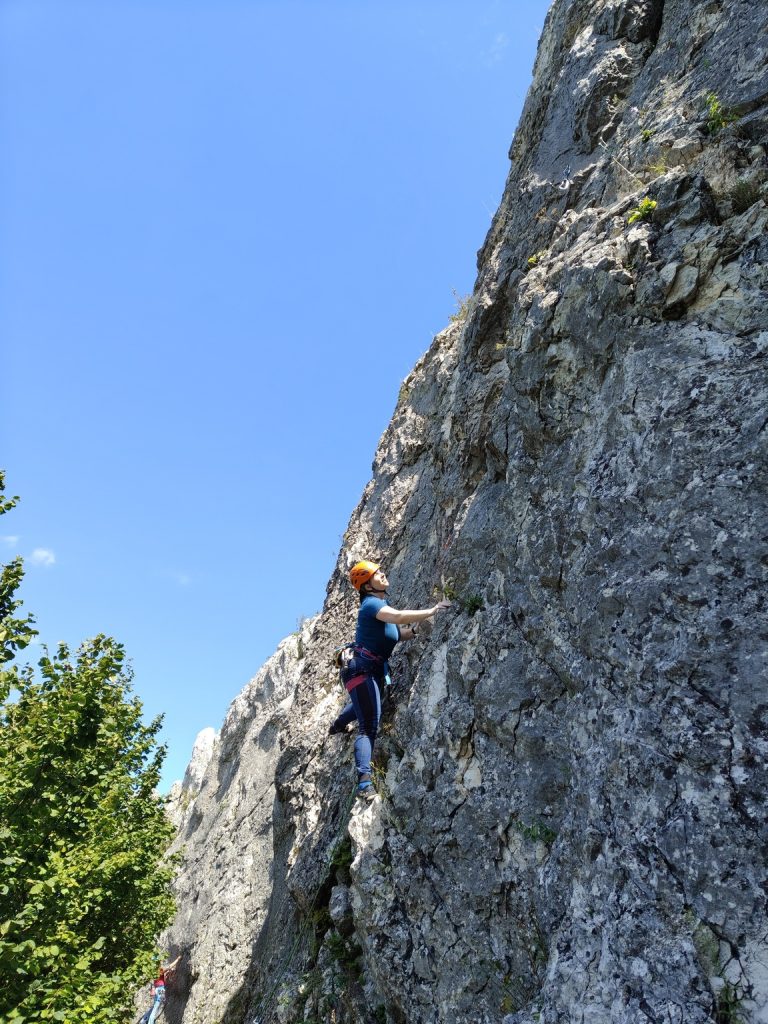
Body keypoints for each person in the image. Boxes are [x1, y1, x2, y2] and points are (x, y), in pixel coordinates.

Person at [330, 560, 451, 800]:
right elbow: (397, 617)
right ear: (366, 585)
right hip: (361, 669)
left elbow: (397, 634)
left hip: (367, 669)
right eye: (377, 574)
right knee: (368, 726)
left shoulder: (378, 603)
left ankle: (338, 724)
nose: (383, 574)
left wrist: (415, 631)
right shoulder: (371, 604)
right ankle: (364, 784)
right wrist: (432, 610)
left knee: (368, 703)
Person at [140, 955, 181, 1024]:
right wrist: (178, 959)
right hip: (160, 989)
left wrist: (166, 975)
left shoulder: (153, 971)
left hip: (157, 989)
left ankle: (143, 1020)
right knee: (157, 1006)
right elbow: (169, 966)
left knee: (155, 1005)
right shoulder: (159, 970)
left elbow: (161, 979)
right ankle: (150, 1022)